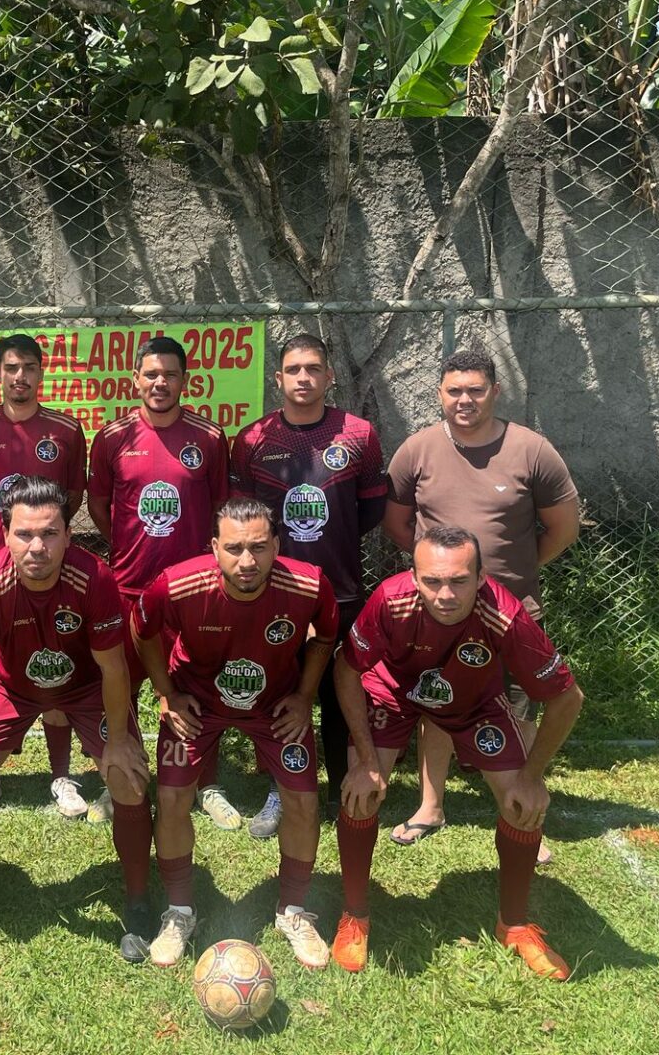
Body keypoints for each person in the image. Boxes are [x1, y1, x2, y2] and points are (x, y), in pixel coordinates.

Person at [332, 526, 584, 979]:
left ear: (481, 577)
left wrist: (532, 777)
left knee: (523, 806)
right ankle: (355, 916)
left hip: (473, 703)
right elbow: (347, 670)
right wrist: (367, 762)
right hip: (393, 693)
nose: (445, 594)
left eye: (459, 581)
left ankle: (514, 925)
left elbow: (568, 697)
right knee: (361, 794)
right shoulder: (390, 600)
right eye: (432, 581)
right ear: (414, 577)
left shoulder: (505, 615)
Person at [0, 478, 154, 957]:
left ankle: (138, 902)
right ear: (5, 534)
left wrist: (119, 739)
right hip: (11, 685)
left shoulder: (95, 578)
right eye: (24, 534)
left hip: (85, 687)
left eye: (50, 533)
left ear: (68, 535)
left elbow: (114, 668)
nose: (37, 547)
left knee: (127, 779)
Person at [383, 348, 579, 858]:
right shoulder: (417, 450)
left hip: (511, 610)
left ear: (495, 391)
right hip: (438, 613)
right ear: (439, 394)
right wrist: (439, 578)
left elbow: (563, 528)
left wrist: (512, 571)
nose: (464, 400)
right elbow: (397, 523)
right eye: (454, 391)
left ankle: (519, 805)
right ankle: (430, 805)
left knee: (516, 708)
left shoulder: (532, 450)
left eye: (475, 390)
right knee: (435, 703)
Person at [133, 497, 340, 970]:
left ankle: (293, 909)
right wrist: (166, 693)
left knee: (304, 802)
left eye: (259, 547)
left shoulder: (309, 584)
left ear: (277, 546)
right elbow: (141, 631)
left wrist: (304, 697)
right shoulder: (177, 584)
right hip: (197, 703)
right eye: (233, 548)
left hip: (274, 705)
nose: (247, 561)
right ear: (214, 548)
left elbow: (326, 635)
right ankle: (179, 911)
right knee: (171, 798)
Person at [231, 333, 385, 837]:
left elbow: (370, 510)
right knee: (282, 697)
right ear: (278, 378)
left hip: (339, 590)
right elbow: (242, 518)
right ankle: (284, 788)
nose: (303, 377)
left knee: (341, 697)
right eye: (294, 369)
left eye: (313, 368)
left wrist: (326, 540)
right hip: (273, 595)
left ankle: (343, 788)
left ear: (329, 376)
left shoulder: (358, 434)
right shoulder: (252, 440)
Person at [88, 335, 239, 830]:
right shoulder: (112, 438)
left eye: (170, 374)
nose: (160, 383)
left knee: (197, 683)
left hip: (190, 591)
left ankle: (204, 782)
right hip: (129, 586)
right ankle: (123, 775)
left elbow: (220, 509)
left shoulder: (210, 438)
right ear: (135, 379)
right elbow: (98, 506)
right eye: (151, 374)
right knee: (123, 686)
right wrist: (128, 544)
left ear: (184, 381)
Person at [0, 333, 89, 817]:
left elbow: (72, 498)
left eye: (29, 367)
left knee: (53, 664)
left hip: (48, 571)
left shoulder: (66, 429)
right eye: (11, 367)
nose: (20, 377)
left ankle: (62, 775)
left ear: (41, 372)